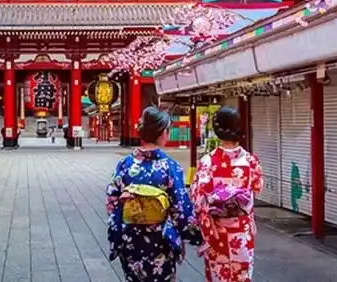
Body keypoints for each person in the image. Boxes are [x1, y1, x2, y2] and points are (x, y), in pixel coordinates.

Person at [106, 106, 202, 282]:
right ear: (163, 133)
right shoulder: (170, 167)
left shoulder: (124, 165)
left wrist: (119, 229)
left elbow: (112, 201)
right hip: (160, 240)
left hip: (131, 238)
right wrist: (195, 236)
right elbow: (181, 208)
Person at [191, 106, 263, 282]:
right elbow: (257, 187)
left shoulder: (207, 162)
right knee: (242, 276)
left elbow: (198, 200)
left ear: (216, 131)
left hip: (217, 232)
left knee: (218, 276)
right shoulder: (251, 161)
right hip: (242, 231)